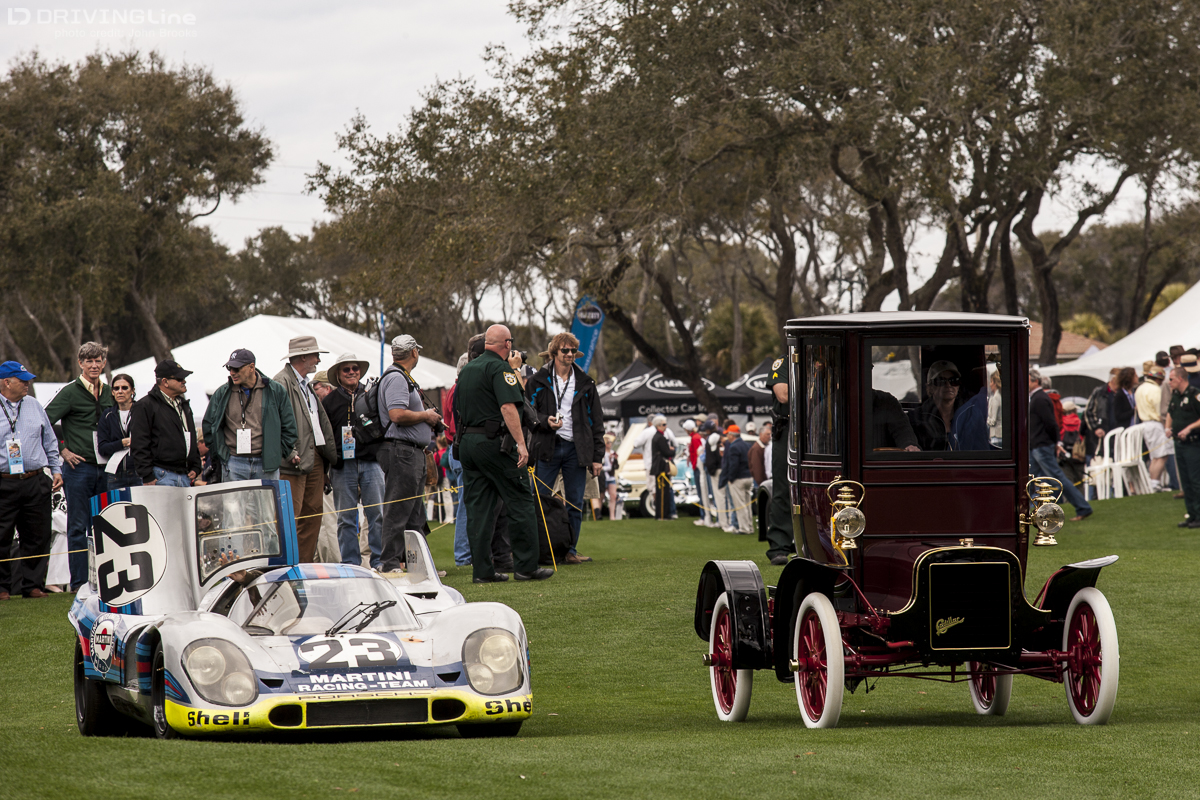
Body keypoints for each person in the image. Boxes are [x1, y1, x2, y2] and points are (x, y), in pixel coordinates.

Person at [456, 324, 553, 583]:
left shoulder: (466, 370)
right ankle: (526, 566)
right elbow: (509, 407)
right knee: (521, 500)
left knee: (478, 508)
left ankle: (483, 572)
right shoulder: (500, 369)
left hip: (467, 443)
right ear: (507, 344)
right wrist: (521, 444)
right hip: (494, 443)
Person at [526, 332, 604, 564]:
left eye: (573, 351)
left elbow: (597, 422)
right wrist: (544, 421)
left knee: (575, 503)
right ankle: (538, 550)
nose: (570, 355)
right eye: (565, 351)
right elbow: (527, 413)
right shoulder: (537, 381)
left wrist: (597, 456)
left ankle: (570, 550)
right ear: (554, 353)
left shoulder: (586, 382)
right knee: (539, 500)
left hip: (575, 449)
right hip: (547, 445)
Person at [44, 342, 114, 591]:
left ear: (103, 363)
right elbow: (45, 420)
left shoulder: (110, 391)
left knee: (106, 525)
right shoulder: (70, 392)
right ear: (80, 363)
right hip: (79, 468)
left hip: (107, 467)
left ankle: (107, 582)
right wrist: (62, 449)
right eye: (89, 361)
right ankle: (79, 584)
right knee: (76, 526)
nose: (94, 365)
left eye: (98, 361)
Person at [378, 334, 441, 573]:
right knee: (398, 509)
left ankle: (418, 565)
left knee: (415, 513)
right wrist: (426, 416)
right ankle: (390, 562)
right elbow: (397, 414)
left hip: (409, 452)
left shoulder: (401, 377)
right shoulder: (396, 378)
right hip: (401, 452)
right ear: (414, 352)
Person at [0, 361, 63, 600]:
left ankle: (33, 585)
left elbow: (50, 441)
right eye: (22, 380)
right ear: (7, 382)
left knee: (38, 534)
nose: (28, 384)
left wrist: (56, 469)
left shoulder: (35, 405)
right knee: (2, 535)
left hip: (35, 479)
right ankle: (2, 587)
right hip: (4, 480)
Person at [274, 337, 337, 563]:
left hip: (313, 457)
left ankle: (304, 565)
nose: (318, 360)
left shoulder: (305, 384)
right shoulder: (281, 382)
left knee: (313, 515)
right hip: (294, 460)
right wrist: (290, 452)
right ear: (303, 357)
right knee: (290, 516)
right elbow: (275, 422)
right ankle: (286, 566)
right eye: (315, 355)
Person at [322, 352, 385, 569]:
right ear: (338, 374)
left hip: (371, 462)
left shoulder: (371, 395)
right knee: (346, 518)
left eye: (355, 368)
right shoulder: (329, 402)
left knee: (376, 514)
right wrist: (326, 466)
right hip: (342, 465)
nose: (351, 372)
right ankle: (350, 564)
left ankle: (378, 562)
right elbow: (325, 435)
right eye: (346, 369)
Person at [203, 348, 299, 482]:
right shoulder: (222, 393)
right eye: (229, 368)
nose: (232, 373)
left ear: (251, 367)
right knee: (234, 504)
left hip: (266, 465)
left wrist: (275, 454)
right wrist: (222, 456)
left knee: (266, 504)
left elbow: (290, 427)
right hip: (233, 462)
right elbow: (208, 426)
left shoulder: (275, 391)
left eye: (236, 369)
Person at [1028, 367, 1093, 522]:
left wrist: (1056, 442)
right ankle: (1028, 510)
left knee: (1055, 478)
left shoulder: (1040, 399)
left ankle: (1082, 507)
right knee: (1030, 479)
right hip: (1038, 445)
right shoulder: (1040, 398)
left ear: (1035, 381)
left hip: (1041, 445)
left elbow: (1051, 423)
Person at [128, 360, 201, 488]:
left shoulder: (184, 405)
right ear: (165, 382)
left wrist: (196, 465)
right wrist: (147, 475)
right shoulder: (145, 405)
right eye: (179, 378)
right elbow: (139, 443)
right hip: (161, 475)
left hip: (185, 475)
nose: (184, 381)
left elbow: (191, 437)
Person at [763, 355, 795, 564]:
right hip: (788, 428)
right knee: (783, 488)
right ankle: (779, 546)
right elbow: (783, 395)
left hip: (821, 427)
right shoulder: (783, 363)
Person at [1165, 367, 1200, 528]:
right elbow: (1170, 413)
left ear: (1180, 378)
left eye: (1171, 379)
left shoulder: (1194, 394)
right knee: (1185, 481)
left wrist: (1189, 428)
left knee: (1195, 480)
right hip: (1179, 443)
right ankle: (1191, 515)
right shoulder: (1176, 396)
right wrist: (1168, 427)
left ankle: (1199, 515)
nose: (1169, 382)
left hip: (1193, 443)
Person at [96, 373, 141, 491]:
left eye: (124, 388)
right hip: (115, 475)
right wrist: (122, 443)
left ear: (132, 391)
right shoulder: (107, 415)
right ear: (112, 392)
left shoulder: (143, 412)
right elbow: (102, 448)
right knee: (116, 509)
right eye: (116, 388)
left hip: (140, 473)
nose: (120, 391)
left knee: (140, 509)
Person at [909, 360, 963, 451]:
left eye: (953, 381)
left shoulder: (969, 414)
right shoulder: (915, 418)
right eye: (940, 381)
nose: (948, 385)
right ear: (930, 388)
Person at [1136, 365, 1173, 490]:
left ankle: (1154, 482)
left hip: (1145, 423)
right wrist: (1166, 425)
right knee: (1161, 455)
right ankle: (1154, 482)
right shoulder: (1155, 390)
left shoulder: (1140, 388)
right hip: (1155, 423)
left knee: (1154, 456)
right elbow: (1161, 410)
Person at [719, 424, 753, 534]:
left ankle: (744, 529)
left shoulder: (734, 447)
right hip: (748, 477)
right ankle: (750, 527)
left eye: (728, 434)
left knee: (741, 506)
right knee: (748, 504)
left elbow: (733, 465)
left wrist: (730, 478)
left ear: (731, 435)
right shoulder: (747, 445)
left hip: (738, 479)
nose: (727, 437)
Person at [649, 417, 676, 520]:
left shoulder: (658, 437)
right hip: (661, 467)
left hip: (659, 466)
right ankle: (663, 514)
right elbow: (667, 452)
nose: (666, 426)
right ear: (658, 426)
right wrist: (672, 451)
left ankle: (662, 514)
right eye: (663, 424)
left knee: (662, 491)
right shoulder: (659, 437)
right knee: (663, 492)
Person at [602, 433, 620, 520]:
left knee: (613, 496)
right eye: (608, 442)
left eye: (610, 442)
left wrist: (615, 460)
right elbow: (601, 467)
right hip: (603, 476)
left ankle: (612, 516)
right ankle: (598, 514)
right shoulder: (602, 453)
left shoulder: (612, 453)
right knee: (601, 496)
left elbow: (616, 467)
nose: (610, 444)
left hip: (611, 477)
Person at [987, 370, 1003, 448]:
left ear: (995, 383)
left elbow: (993, 421)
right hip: (1000, 435)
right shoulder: (1001, 397)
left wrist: (984, 420)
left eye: (991, 382)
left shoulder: (995, 398)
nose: (990, 385)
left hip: (996, 436)